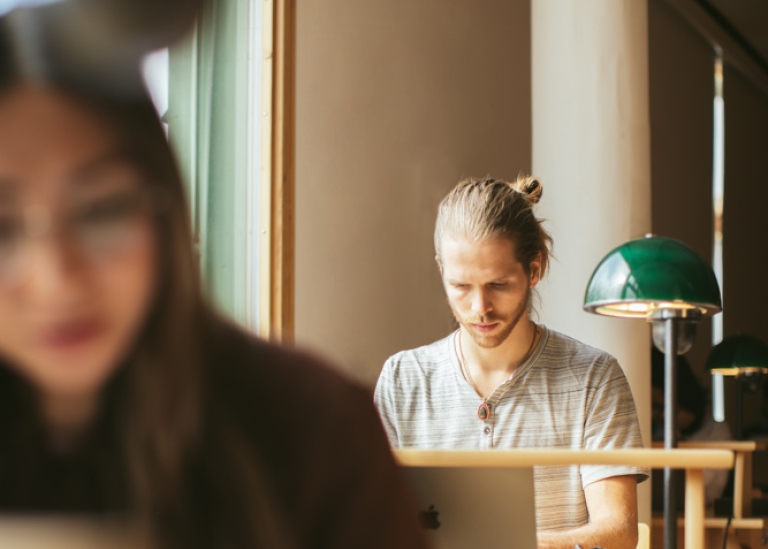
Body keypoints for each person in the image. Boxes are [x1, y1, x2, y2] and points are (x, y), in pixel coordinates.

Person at [0, 40, 429, 549]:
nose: (57, 278)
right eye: (3, 228)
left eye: (101, 211)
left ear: (166, 211)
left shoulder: (313, 427)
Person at [374, 175, 648, 549]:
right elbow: (373, 523)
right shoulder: (403, 379)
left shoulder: (594, 378)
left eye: (497, 285)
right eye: (461, 286)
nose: (479, 308)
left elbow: (618, 533)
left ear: (533, 270)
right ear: (442, 270)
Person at [651, 347, 731, 507]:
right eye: (655, 408)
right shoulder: (652, 430)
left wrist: (677, 440)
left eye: (663, 407)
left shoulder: (716, 432)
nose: (661, 416)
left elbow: (706, 495)